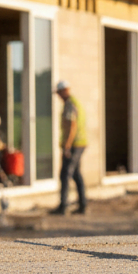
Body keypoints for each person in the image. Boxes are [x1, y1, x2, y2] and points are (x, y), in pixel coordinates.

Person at [51, 80, 88, 215]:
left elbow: (72, 126)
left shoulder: (70, 104)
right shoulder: (74, 102)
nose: (59, 96)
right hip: (79, 143)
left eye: (60, 93)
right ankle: (83, 204)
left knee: (65, 174)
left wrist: (67, 145)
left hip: (74, 145)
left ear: (65, 91)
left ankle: (63, 206)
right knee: (76, 174)